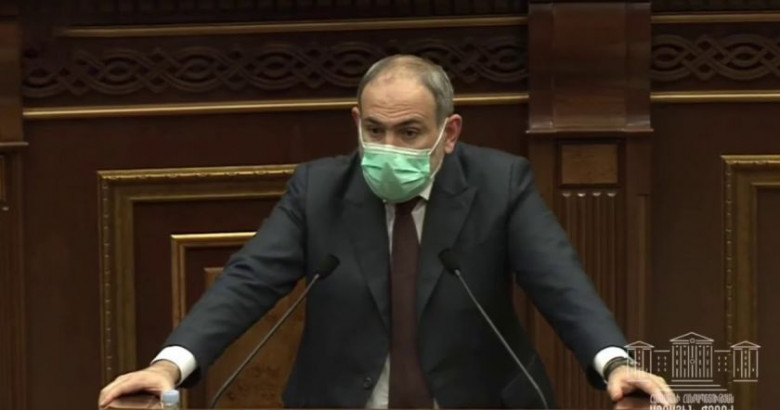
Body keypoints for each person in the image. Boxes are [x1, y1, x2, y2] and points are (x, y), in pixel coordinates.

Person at [99, 55, 674, 409]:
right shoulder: (318, 190)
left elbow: (559, 281)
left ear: (449, 133)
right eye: (374, 130)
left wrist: (615, 364)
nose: (388, 148)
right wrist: (169, 366)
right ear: (357, 122)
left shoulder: (500, 184)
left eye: (409, 132)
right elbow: (246, 282)